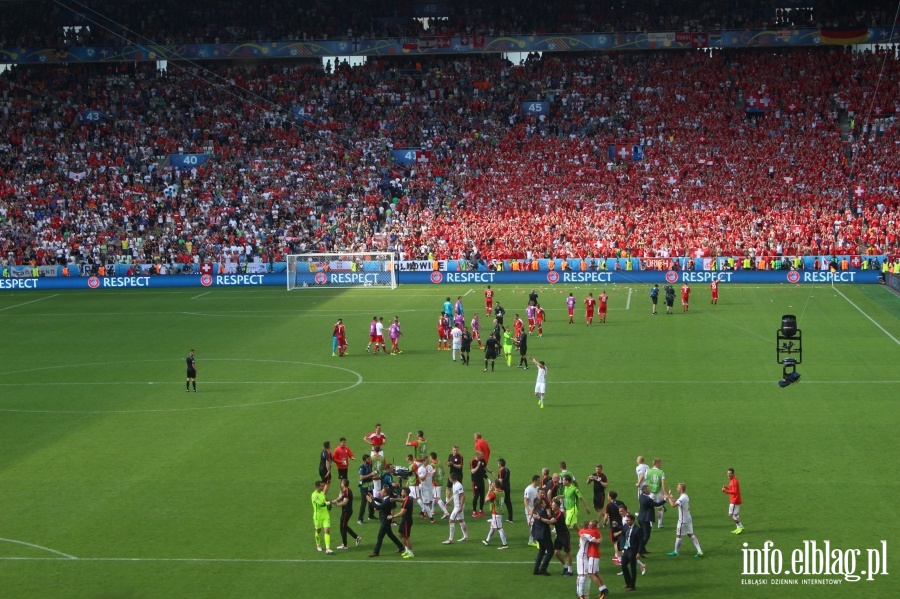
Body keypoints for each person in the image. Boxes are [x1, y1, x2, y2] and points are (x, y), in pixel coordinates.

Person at [666, 482, 704, 558]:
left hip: (682, 521)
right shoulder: (685, 496)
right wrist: (670, 495)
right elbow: (676, 501)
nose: (677, 488)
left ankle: (676, 552)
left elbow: (673, 505)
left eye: (678, 487)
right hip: (688, 518)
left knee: (678, 535)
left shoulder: (683, 497)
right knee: (691, 534)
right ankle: (699, 551)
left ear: (681, 489)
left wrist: (668, 498)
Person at [576, 520, 610, 599]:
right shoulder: (590, 532)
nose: (590, 527)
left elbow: (597, 541)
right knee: (595, 573)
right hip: (590, 555)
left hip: (592, 555)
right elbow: (581, 532)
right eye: (589, 525)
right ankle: (603, 589)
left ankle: (602, 590)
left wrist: (600, 538)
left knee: (589, 574)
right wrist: (601, 536)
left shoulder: (590, 533)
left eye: (591, 525)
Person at [367, 486, 404, 557]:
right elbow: (381, 501)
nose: (380, 492)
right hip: (385, 521)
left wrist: (371, 501)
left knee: (380, 537)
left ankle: (376, 552)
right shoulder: (386, 499)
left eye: (382, 491)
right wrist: (373, 498)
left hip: (385, 522)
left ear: (385, 493)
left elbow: (379, 507)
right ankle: (400, 546)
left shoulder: (387, 500)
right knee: (390, 534)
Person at [332, 478, 361, 550]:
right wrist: (332, 502)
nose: (340, 484)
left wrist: (337, 504)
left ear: (344, 484)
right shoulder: (345, 491)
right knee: (343, 526)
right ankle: (356, 538)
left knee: (343, 527)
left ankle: (345, 544)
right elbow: (340, 497)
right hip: (345, 511)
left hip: (346, 511)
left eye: (341, 483)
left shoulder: (347, 491)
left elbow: (345, 502)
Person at [638, 485, 666, 553]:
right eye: (648, 489)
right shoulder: (647, 499)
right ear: (645, 491)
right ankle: (639, 550)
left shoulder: (641, 496)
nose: (650, 490)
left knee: (643, 535)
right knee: (646, 536)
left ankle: (643, 550)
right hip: (645, 519)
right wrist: (665, 500)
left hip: (641, 517)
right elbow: (657, 504)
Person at [442, 472, 469, 543]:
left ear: (451, 478)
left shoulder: (458, 485)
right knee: (461, 520)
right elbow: (454, 495)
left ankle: (450, 539)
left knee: (451, 521)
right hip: (457, 505)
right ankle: (466, 536)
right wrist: (449, 502)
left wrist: (460, 507)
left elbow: (463, 496)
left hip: (458, 506)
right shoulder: (454, 485)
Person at [618, 512, 642, 591]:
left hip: (633, 551)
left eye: (628, 520)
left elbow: (641, 542)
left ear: (633, 520)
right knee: (623, 566)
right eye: (626, 520)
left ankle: (632, 586)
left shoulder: (637, 530)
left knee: (633, 568)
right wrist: (614, 525)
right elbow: (620, 529)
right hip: (626, 549)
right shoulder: (626, 527)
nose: (627, 522)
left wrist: (639, 552)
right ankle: (628, 583)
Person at [481, 481, 509, 549]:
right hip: (500, 511)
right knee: (493, 527)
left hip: (496, 513)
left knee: (499, 528)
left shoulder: (493, 493)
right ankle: (487, 540)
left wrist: (489, 490)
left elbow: (485, 500)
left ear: (495, 486)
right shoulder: (503, 492)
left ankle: (505, 544)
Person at [531, 497, 554, 575]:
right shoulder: (542, 512)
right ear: (541, 504)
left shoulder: (536, 511)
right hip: (544, 535)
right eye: (544, 503)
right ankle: (543, 568)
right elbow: (548, 521)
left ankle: (536, 569)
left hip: (538, 535)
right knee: (550, 551)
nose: (545, 504)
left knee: (541, 551)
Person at [551, 498, 573, 576]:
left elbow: (551, 522)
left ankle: (570, 571)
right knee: (556, 552)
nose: (551, 506)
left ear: (557, 506)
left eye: (553, 505)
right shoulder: (554, 512)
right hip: (559, 535)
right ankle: (565, 566)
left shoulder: (560, 514)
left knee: (567, 552)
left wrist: (540, 518)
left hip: (565, 535)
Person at [392, 486, 416, 558]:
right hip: (404, 520)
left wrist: (392, 516)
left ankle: (411, 553)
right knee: (400, 534)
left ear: (405, 493)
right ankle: (407, 550)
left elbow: (402, 513)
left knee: (407, 537)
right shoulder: (409, 498)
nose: (401, 492)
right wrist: (395, 499)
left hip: (406, 521)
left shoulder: (406, 502)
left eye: (402, 491)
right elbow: (402, 499)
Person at [311, 480, 333, 554]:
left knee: (327, 530)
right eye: (321, 486)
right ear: (317, 486)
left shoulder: (322, 493)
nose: (323, 487)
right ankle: (318, 545)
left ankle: (328, 548)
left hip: (325, 515)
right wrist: (330, 502)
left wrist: (329, 503)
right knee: (318, 530)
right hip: (318, 517)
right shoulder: (314, 495)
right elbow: (321, 504)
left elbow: (325, 499)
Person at [646, 458, 668, 528]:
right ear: (656, 463)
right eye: (660, 463)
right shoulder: (661, 472)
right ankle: (660, 524)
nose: (661, 465)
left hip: (650, 492)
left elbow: (646, 481)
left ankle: (650, 524)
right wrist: (665, 493)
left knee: (650, 508)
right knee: (660, 508)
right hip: (659, 492)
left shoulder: (648, 471)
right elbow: (663, 483)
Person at [722, 468, 744, 534]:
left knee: (731, 515)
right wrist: (727, 487)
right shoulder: (733, 480)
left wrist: (725, 491)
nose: (728, 474)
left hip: (734, 500)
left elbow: (734, 492)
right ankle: (738, 528)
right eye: (728, 473)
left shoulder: (734, 481)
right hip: (736, 500)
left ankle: (740, 526)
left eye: (730, 473)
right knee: (736, 514)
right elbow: (733, 489)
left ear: (733, 474)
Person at [357, 454, 378, 523]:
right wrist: (371, 475)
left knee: (371, 500)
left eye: (370, 459)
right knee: (364, 502)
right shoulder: (362, 467)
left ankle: (371, 515)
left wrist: (374, 474)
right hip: (364, 487)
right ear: (364, 460)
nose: (370, 460)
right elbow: (361, 477)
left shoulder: (370, 466)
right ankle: (360, 519)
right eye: (368, 459)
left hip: (370, 486)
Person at [429, 451, 450, 519]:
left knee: (437, 498)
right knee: (434, 497)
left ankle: (446, 512)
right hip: (440, 481)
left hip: (435, 483)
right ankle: (432, 510)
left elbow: (432, 475)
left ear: (431, 457)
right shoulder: (439, 462)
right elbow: (443, 472)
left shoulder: (432, 465)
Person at [470, 450, 489, 516]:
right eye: (481, 455)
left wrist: (490, 471)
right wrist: (478, 466)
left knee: (482, 496)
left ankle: (481, 510)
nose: (483, 456)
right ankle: (474, 511)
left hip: (481, 481)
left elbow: (485, 467)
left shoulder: (482, 460)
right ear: (477, 455)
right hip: (475, 482)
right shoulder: (473, 461)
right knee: (476, 496)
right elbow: (472, 471)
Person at [524, 474, 541, 547]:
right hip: (530, 510)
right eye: (538, 480)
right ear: (535, 480)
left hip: (536, 509)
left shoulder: (537, 488)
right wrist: (528, 510)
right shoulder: (528, 489)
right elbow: (525, 501)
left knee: (534, 525)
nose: (540, 482)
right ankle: (536, 541)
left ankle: (531, 541)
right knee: (533, 525)